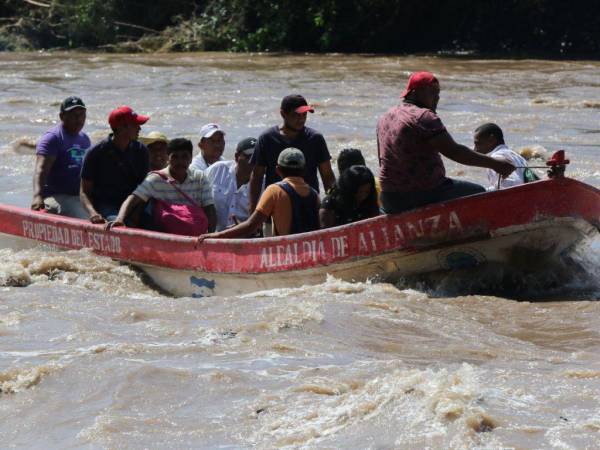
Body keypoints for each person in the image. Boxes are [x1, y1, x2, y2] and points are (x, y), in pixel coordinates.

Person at [377, 71, 515, 214]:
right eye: (433, 93)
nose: (437, 98)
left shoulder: (385, 117)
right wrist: (496, 164)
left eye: (438, 93)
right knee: (479, 192)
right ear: (417, 92)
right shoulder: (424, 116)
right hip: (424, 193)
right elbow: (455, 152)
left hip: (389, 197)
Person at [197, 147, 319, 242]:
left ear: (278, 170)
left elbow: (252, 225)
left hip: (285, 251)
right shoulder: (314, 194)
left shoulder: (274, 190)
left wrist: (217, 235)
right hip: (309, 250)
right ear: (304, 170)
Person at [248, 95, 335, 216]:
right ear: (283, 114)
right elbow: (257, 177)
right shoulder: (267, 139)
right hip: (274, 210)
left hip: (309, 210)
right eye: (296, 115)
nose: (301, 119)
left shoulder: (315, 139)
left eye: (304, 115)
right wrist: (252, 210)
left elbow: (328, 176)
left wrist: (333, 208)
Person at [106, 138, 216, 234]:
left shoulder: (200, 177)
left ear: (191, 158)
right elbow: (133, 199)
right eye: (175, 157)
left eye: (184, 157)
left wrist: (211, 235)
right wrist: (120, 219)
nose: (180, 162)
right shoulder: (156, 179)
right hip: (164, 231)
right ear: (168, 158)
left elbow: (210, 209)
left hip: (194, 232)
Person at [80, 106, 150, 223]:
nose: (139, 128)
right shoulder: (96, 153)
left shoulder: (141, 150)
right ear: (121, 128)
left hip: (134, 204)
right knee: (117, 223)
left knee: (156, 223)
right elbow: (84, 192)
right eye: (135, 124)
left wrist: (137, 214)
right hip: (107, 205)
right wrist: (93, 213)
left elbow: (146, 188)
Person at [31, 96, 91, 219]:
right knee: (84, 216)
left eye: (82, 115)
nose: (79, 119)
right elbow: (40, 170)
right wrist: (37, 196)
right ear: (62, 116)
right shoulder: (53, 138)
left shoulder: (85, 139)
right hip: (56, 196)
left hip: (80, 196)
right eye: (74, 115)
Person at [205, 137, 256, 231]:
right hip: (213, 234)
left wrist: (242, 228)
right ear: (236, 156)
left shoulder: (264, 185)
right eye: (250, 157)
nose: (254, 162)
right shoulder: (217, 170)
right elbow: (198, 191)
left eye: (258, 157)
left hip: (244, 238)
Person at [474, 123, 537, 190]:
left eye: (477, 143)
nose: (475, 149)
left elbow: (512, 185)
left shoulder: (496, 158)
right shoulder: (517, 157)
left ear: (491, 140)